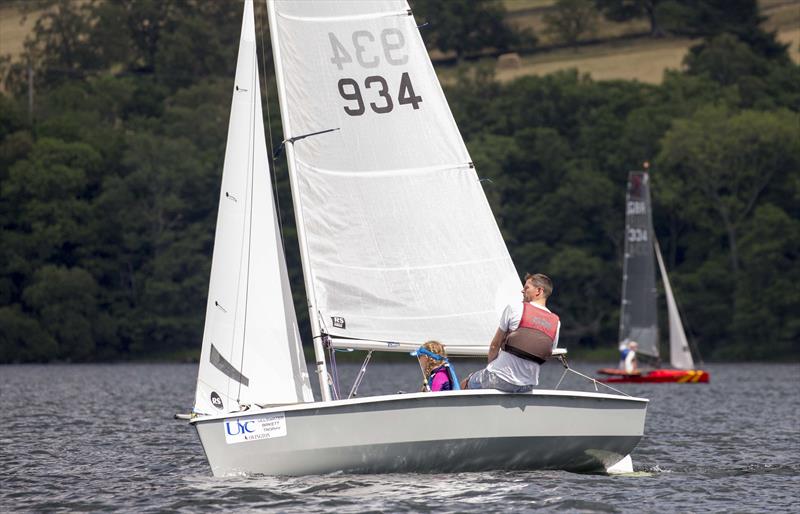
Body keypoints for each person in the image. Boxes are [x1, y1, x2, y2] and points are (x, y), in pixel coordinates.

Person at [463, 273, 560, 392]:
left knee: (466, 383)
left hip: (498, 377)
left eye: (526, 288)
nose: (522, 291)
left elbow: (495, 345)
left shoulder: (515, 308)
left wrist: (491, 368)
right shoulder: (556, 322)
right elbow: (547, 351)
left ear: (539, 291)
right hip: (527, 385)